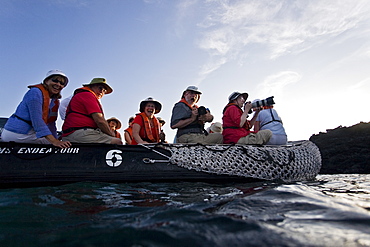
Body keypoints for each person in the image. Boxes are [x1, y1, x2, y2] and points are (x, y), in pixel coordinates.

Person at [1, 70, 71, 148]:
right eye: (55, 80)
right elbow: (37, 120)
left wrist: (56, 140)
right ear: (47, 81)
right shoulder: (35, 92)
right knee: (49, 143)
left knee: (51, 142)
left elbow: (51, 124)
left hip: (31, 134)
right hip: (17, 133)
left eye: (62, 83)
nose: (58, 84)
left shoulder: (54, 101)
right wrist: (54, 141)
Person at [61, 78, 122, 144]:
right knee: (117, 142)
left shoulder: (84, 95)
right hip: (79, 133)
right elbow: (100, 121)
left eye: (104, 91)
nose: (102, 92)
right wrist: (112, 135)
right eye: (100, 88)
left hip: (76, 132)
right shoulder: (88, 95)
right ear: (91, 86)